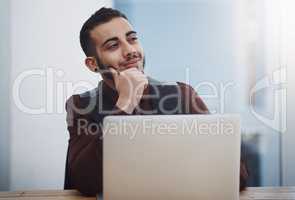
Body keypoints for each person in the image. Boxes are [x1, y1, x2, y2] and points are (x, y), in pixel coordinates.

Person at [65, 7, 248, 196]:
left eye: (132, 38)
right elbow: (84, 181)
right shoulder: (81, 105)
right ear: (93, 64)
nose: (130, 50)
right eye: (113, 46)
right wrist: (126, 103)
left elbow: (237, 176)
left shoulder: (180, 94)